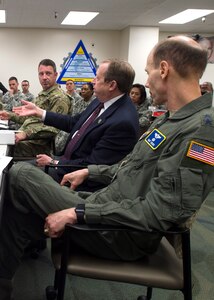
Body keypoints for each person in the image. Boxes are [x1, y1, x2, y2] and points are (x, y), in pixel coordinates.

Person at [1, 36, 214, 300]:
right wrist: (91, 172)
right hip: (106, 205)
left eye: (148, 73)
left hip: (121, 233)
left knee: (18, 174)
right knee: (16, 215)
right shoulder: (171, 121)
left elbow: (159, 213)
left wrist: (79, 213)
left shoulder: (201, 131)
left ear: (164, 69)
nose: (146, 83)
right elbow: (128, 169)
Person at [13, 59, 140, 191]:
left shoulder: (123, 122)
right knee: (13, 170)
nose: (92, 81)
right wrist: (40, 113)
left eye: (97, 77)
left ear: (112, 85)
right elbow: (73, 123)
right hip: (64, 162)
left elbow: (92, 166)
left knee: (16, 174)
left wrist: (54, 162)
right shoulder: (100, 101)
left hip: (73, 178)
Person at [0, 59, 71, 157]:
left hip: (42, 147)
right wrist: (9, 115)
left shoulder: (60, 98)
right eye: (41, 74)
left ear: (55, 75)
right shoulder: (43, 95)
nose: (44, 77)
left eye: (48, 73)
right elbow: (26, 118)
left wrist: (26, 133)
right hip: (27, 138)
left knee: (6, 150)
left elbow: (54, 128)